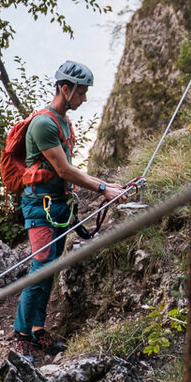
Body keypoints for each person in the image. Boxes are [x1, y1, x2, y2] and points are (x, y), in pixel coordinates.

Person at [12, 61, 129, 356]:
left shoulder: (64, 122)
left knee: (50, 268)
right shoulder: (43, 124)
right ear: (66, 89)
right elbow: (64, 170)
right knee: (40, 268)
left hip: (59, 205)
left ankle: (37, 330)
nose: (84, 99)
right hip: (41, 207)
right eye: (81, 93)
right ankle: (21, 335)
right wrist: (104, 187)